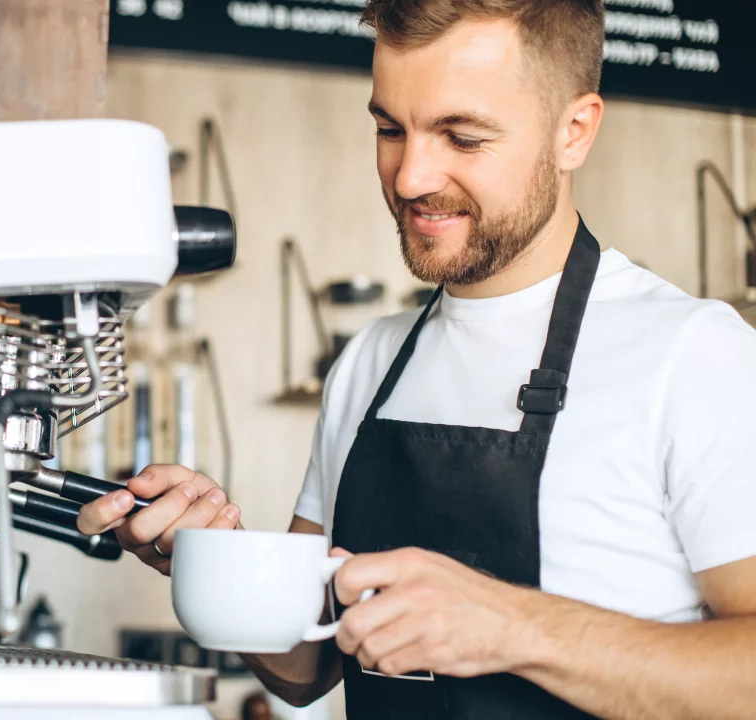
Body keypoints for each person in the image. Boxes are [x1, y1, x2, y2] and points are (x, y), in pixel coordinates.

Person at [79, 0, 756, 718]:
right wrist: (217, 557)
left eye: (461, 137)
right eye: (389, 129)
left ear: (574, 132)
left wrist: (516, 629)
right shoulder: (370, 362)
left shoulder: (696, 356)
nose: (408, 178)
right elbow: (307, 665)